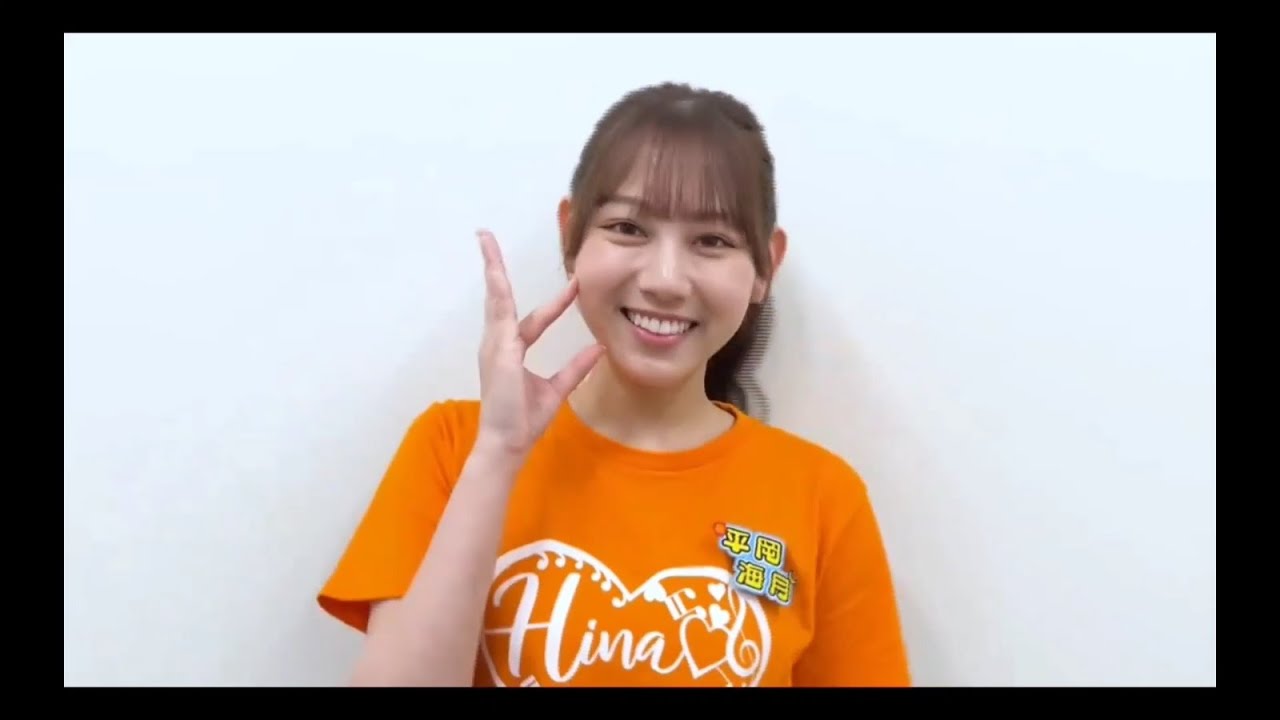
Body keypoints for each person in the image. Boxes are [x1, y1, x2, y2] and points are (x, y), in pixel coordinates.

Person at [316, 82, 912, 688]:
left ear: (766, 267)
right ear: (571, 234)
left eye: (711, 241)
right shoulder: (454, 446)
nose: (665, 279)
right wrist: (498, 454)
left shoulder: (822, 498)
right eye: (629, 228)